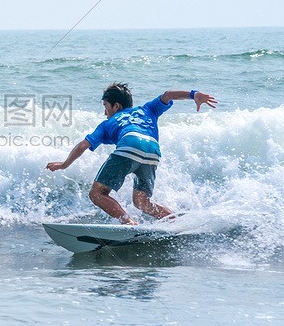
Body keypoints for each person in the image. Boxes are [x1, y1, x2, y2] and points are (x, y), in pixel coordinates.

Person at [46, 83, 217, 225]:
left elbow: (83, 145)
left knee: (97, 193)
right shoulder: (147, 110)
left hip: (129, 145)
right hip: (153, 151)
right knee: (142, 202)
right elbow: (167, 95)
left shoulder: (108, 123)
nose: (105, 113)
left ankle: (127, 221)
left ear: (116, 106)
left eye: (106, 107)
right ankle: (175, 222)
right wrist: (194, 94)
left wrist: (64, 164)